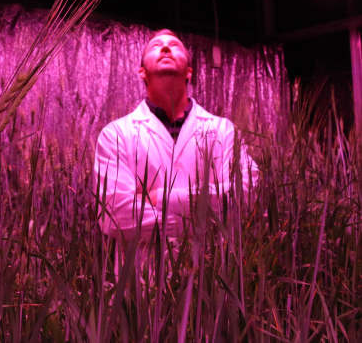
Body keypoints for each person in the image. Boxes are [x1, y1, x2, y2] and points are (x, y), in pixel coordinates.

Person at [93, 29, 257, 241]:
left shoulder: (224, 131)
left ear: (189, 71)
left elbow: (245, 195)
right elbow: (112, 216)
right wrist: (202, 224)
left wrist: (159, 198)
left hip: (211, 270)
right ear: (142, 71)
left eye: (175, 45)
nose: (165, 47)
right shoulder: (115, 134)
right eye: (155, 46)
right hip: (141, 272)